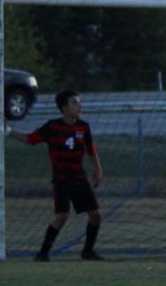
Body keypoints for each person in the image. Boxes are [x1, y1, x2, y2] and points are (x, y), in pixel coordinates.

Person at [8, 89, 105, 262]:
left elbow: (91, 150)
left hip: (80, 178)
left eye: (79, 102)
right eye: (74, 103)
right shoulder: (52, 127)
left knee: (96, 215)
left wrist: (98, 170)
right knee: (61, 216)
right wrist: (8, 131)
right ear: (63, 108)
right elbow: (30, 139)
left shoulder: (83, 127)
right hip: (61, 180)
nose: (78, 105)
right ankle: (43, 253)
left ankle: (88, 252)